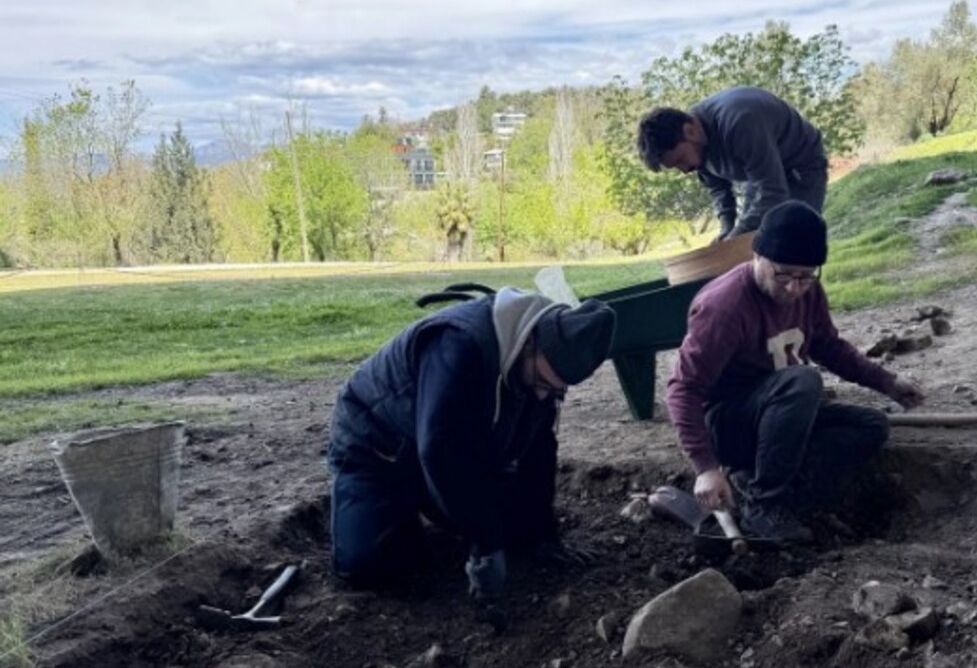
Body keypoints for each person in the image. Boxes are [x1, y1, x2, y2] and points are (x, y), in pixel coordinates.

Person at [327, 288, 616, 600]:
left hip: (453, 443)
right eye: (542, 383)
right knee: (368, 565)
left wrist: (545, 535)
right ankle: (397, 512)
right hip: (380, 449)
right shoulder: (460, 345)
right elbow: (439, 449)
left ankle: (441, 511)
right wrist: (485, 544)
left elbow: (540, 446)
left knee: (521, 533)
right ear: (528, 342)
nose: (544, 395)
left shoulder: (541, 363)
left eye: (555, 390)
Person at [665, 202, 925, 542]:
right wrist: (705, 467)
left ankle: (761, 485)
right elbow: (682, 389)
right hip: (728, 425)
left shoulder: (808, 291)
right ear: (758, 256)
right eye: (784, 274)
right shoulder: (724, 307)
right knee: (803, 381)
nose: (794, 288)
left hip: (778, 416)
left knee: (870, 426)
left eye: (806, 275)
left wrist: (887, 383)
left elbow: (828, 346)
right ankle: (763, 504)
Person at [636, 86, 828, 241]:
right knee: (751, 246)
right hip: (760, 174)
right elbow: (718, 189)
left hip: (800, 166)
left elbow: (773, 192)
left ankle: (805, 288)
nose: (685, 170)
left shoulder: (739, 123)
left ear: (690, 132)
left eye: (680, 160)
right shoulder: (697, 144)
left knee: (795, 243)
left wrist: (737, 235)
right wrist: (727, 230)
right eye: (675, 166)